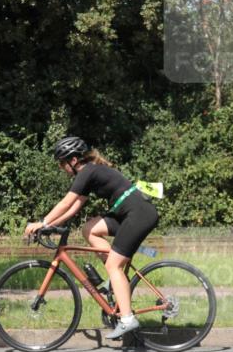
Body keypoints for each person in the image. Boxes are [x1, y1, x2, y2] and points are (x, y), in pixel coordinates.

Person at [24, 136, 159, 339]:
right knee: (89, 229)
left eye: (62, 163)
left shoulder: (87, 171)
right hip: (128, 213)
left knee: (113, 265)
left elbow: (65, 203)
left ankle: (128, 319)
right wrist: (51, 225)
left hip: (138, 214)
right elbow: (74, 207)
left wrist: (41, 223)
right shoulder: (89, 172)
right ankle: (115, 282)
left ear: (74, 160)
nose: (61, 168)